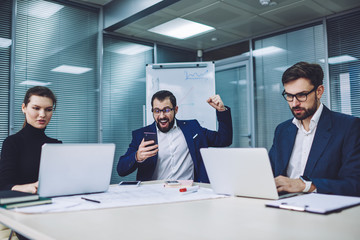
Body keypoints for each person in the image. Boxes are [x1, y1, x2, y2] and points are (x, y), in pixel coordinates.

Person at [269, 61, 360, 197]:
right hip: (282, 204)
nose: (294, 103)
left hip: (323, 209)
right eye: (289, 96)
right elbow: (268, 174)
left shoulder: (348, 127)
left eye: (301, 95)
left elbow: (354, 184)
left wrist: (305, 185)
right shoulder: (282, 130)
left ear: (319, 91)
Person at [118, 90, 232, 183]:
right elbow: (121, 170)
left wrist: (222, 111)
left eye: (166, 110)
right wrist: (137, 156)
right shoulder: (141, 135)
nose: (162, 116)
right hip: (154, 195)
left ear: (176, 110)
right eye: (157, 111)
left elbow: (224, 140)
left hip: (188, 193)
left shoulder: (193, 128)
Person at [0, 86, 62, 193]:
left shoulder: (55, 145)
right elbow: (4, 185)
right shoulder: (12, 143)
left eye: (48, 109)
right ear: (24, 108)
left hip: (56, 202)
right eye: (36, 108)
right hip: (22, 203)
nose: (42, 115)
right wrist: (25, 187)